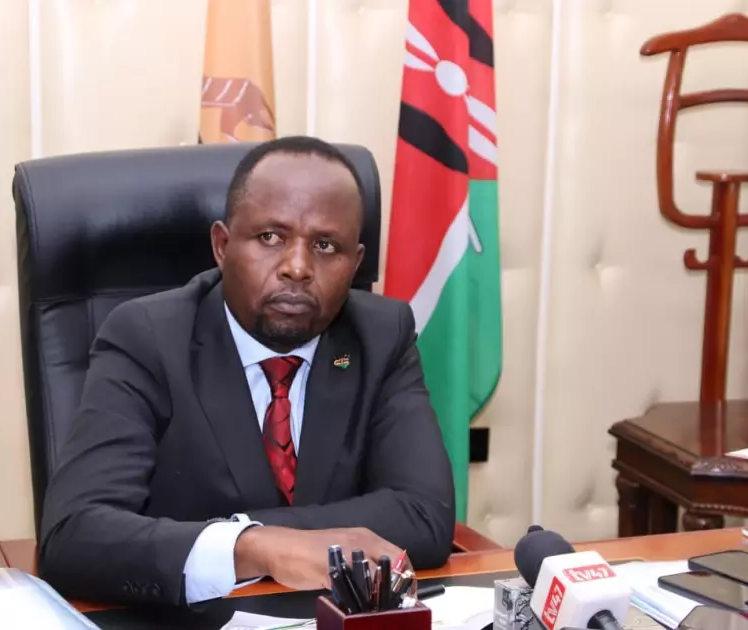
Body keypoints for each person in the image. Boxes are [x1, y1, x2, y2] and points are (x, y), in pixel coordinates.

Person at [38, 136, 456, 606]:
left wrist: (250, 535)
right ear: (221, 245)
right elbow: (74, 535)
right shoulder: (147, 338)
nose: (297, 267)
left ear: (355, 264)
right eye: (271, 237)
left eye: (325, 245)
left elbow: (424, 516)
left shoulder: (381, 335)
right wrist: (252, 547)